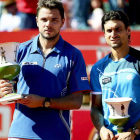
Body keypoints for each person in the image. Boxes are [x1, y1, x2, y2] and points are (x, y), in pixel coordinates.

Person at [0, 0, 91, 140]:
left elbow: (77, 102)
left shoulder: (74, 54)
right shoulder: (20, 50)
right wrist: (2, 91)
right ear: (36, 21)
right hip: (19, 134)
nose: (48, 24)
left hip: (56, 135)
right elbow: (7, 90)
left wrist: (44, 102)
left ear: (62, 22)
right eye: (44, 19)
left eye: (54, 20)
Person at [90, 10, 140, 140]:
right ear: (104, 34)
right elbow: (95, 107)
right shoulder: (98, 68)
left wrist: (134, 131)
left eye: (118, 29)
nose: (113, 34)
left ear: (128, 30)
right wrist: (101, 129)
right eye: (109, 30)